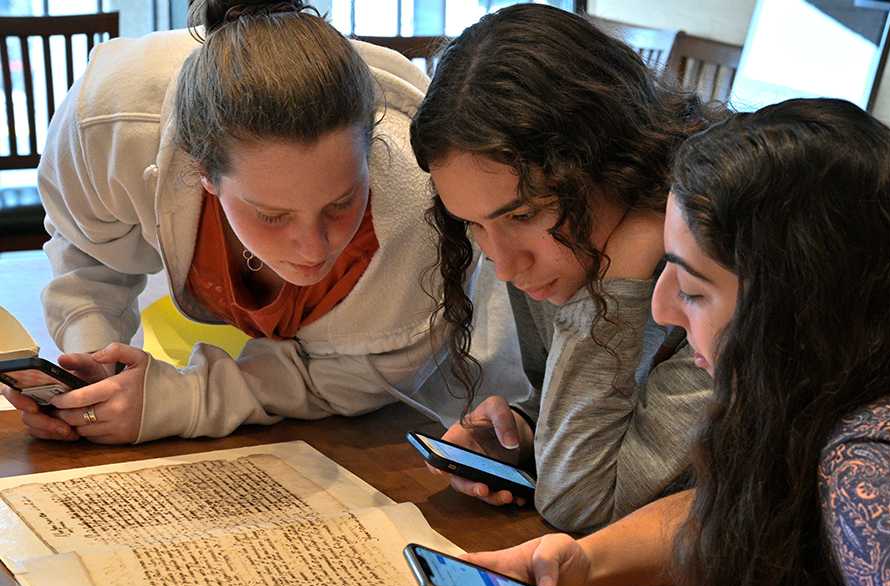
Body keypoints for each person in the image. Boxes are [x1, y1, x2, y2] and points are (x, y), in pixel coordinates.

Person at [459, 98, 890, 586]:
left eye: (696, 291)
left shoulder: (883, 468)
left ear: (792, 312)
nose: (662, 307)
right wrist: (587, 564)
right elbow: (773, 499)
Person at [2, 0, 526, 444]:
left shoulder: (426, 213)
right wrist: (99, 370)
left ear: (373, 149)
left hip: (394, 420)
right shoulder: (107, 128)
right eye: (271, 214)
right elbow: (90, 255)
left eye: (343, 202)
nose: (313, 247)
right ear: (202, 170)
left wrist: (182, 401)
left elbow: (345, 382)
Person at [408, 3, 718, 532]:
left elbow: (581, 501)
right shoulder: (557, 252)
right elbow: (594, 414)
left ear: (616, 160)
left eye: (524, 214)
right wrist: (528, 435)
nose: (505, 267)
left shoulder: (719, 273)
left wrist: (615, 288)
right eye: (474, 225)